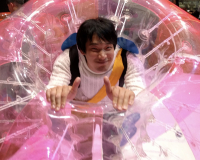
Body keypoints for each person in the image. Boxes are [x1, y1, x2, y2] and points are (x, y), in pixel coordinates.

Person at [46, 17, 145, 111]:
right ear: (82, 50)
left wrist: (129, 97)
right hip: (80, 116)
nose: (102, 56)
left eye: (108, 48)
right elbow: (52, 88)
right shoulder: (69, 58)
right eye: (94, 49)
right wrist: (60, 95)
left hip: (115, 115)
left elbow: (143, 97)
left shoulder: (127, 60)